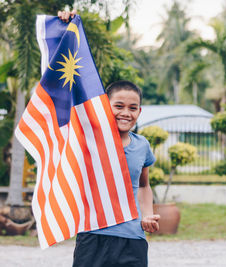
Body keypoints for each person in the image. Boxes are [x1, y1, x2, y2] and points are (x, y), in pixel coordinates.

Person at [58, 11, 160, 267]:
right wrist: (64, 29)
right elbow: (67, 87)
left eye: (133, 107)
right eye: (119, 106)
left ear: (139, 111)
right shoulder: (89, 138)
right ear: (106, 107)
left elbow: (144, 185)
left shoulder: (142, 146)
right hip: (93, 236)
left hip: (132, 240)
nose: (126, 112)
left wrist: (147, 214)